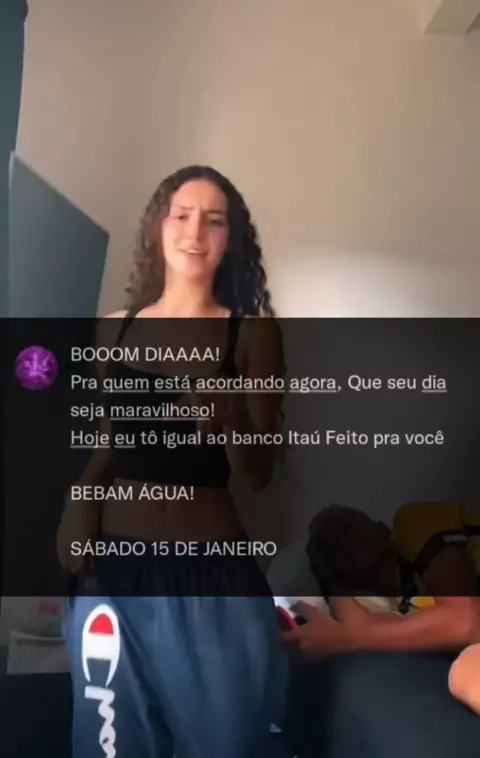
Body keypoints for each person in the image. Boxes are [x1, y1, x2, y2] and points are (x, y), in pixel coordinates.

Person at [56, 165, 290, 758]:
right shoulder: (113, 330)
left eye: (214, 220)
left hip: (212, 582)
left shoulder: (252, 333)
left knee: (224, 744)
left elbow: (260, 473)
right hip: (113, 574)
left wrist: (233, 414)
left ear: (231, 239)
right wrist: (79, 500)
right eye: (182, 215)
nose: (195, 232)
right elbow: (109, 444)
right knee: (112, 744)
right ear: (158, 227)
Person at [277, 502, 480, 656]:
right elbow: (357, 626)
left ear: (382, 528)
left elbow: (468, 620)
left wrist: (350, 638)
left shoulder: (413, 521)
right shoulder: (399, 611)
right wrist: (328, 577)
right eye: (330, 551)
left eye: (346, 529)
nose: (340, 544)